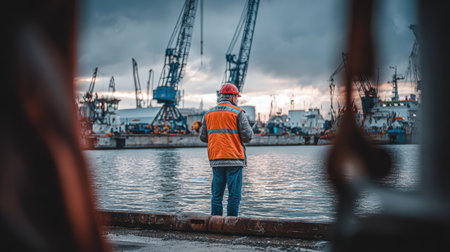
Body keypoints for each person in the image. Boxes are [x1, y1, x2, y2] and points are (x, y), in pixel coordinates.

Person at [199, 83, 254, 216]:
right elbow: (248, 137)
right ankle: (231, 224)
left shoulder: (208, 114)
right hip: (234, 159)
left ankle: (216, 224)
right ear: (233, 97)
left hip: (216, 159)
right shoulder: (238, 113)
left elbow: (203, 137)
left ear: (221, 96)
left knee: (216, 196)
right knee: (234, 196)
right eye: (237, 97)